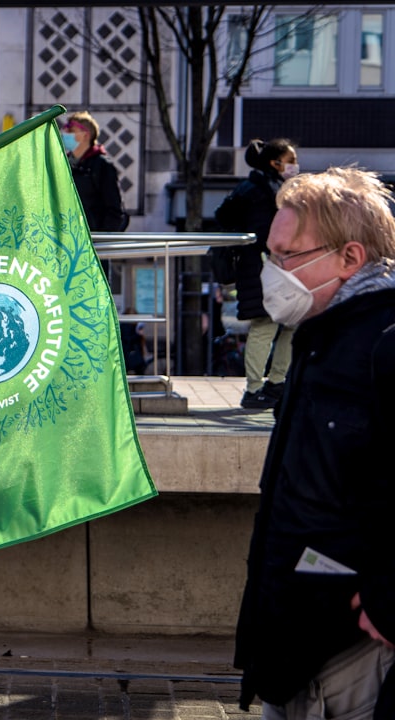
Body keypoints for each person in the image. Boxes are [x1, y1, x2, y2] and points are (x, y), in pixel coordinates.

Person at [234, 166, 395, 720]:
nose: (274, 273)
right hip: (292, 644)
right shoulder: (320, 340)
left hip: (349, 654)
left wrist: (389, 601)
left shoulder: (383, 344)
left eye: (288, 256)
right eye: (270, 256)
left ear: (350, 257)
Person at [214, 138, 299, 409]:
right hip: (263, 268)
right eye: (291, 161)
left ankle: (275, 383)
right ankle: (255, 388)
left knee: (289, 324)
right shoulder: (260, 190)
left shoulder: (265, 187)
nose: (295, 166)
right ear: (275, 163)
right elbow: (266, 234)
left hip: (269, 268)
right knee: (267, 324)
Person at [61, 111, 129, 232]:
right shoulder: (63, 164)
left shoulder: (101, 165)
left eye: (71, 131)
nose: (65, 134)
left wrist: (101, 239)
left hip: (93, 239)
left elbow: (115, 210)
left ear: (85, 135)